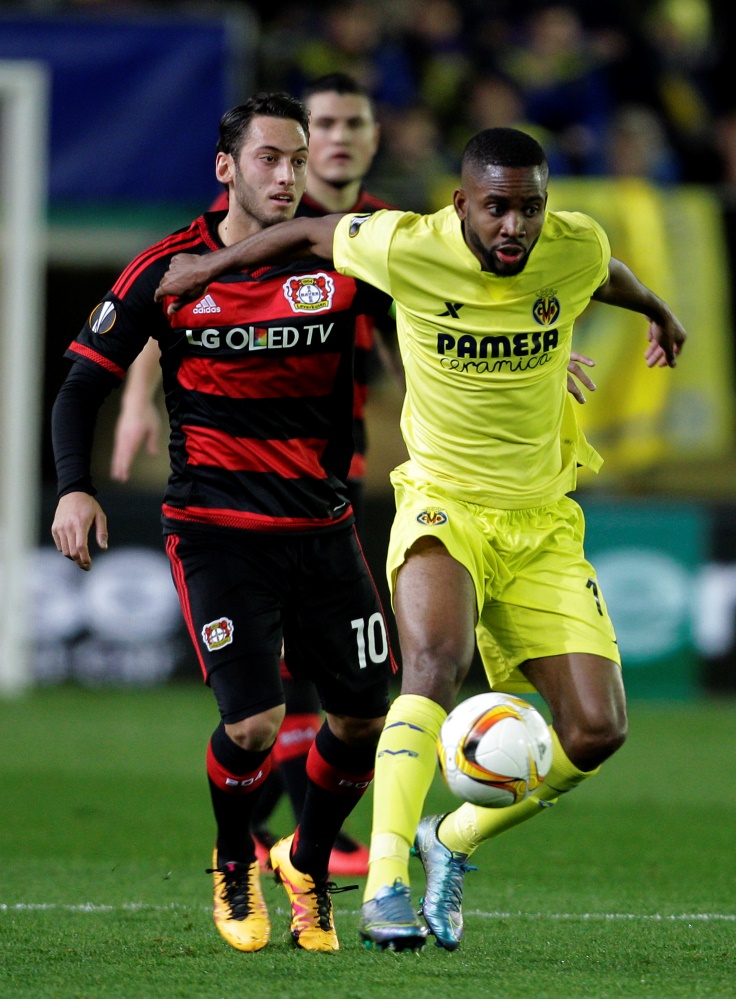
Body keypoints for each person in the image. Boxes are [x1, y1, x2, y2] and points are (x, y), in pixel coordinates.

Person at [154, 125, 687, 953]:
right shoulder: (405, 244)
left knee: (596, 730)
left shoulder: (572, 247)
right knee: (432, 664)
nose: (515, 226)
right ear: (461, 203)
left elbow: (600, 272)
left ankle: (454, 841)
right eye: (498, 208)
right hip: (442, 501)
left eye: (531, 209)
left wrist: (657, 307)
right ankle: (386, 882)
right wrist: (209, 266)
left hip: (544, 519)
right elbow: (306, 232)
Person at [51, 92, 399, 955]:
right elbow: (80, 385)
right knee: (251, 724)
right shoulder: (164, 266)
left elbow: (426, 320)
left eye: (297, 158)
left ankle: (307, 860)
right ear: (227, 167)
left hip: (322, 526)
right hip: (217, 527)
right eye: (271, 158)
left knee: (364, 717)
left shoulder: (342, 252)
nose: (288, 174)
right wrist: (72, 487)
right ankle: (234, 854)